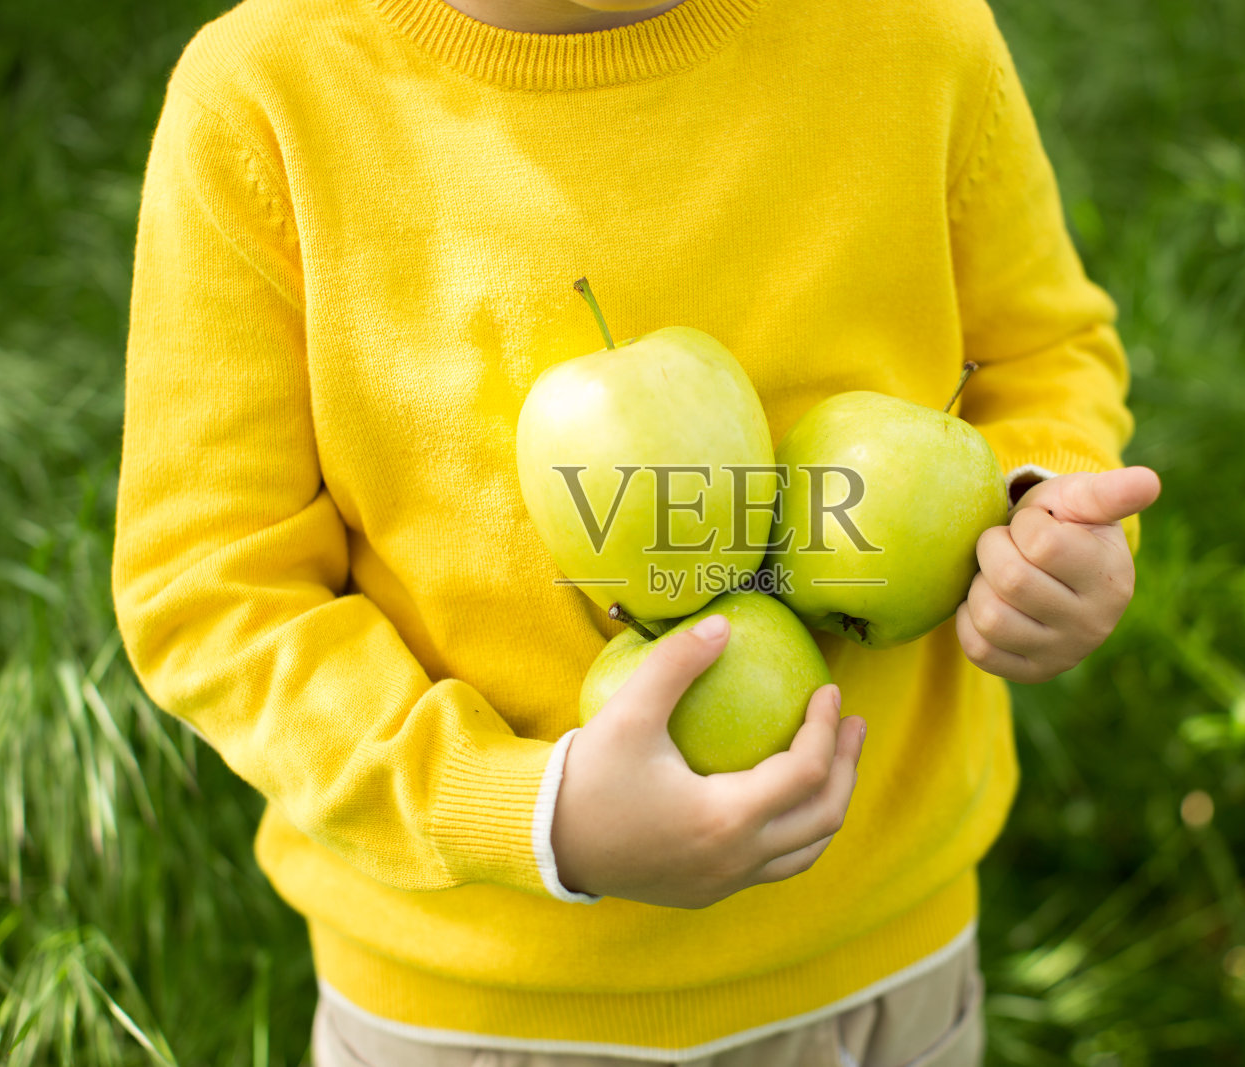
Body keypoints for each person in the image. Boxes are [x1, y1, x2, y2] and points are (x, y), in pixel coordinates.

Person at [112, 0, 1161, 1062]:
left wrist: (1036, 514)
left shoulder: (913, 35)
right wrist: (531, 811)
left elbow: (1041, 354)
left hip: (873, 969)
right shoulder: (266, 102)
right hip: (471, 1002)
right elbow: (210, 585)